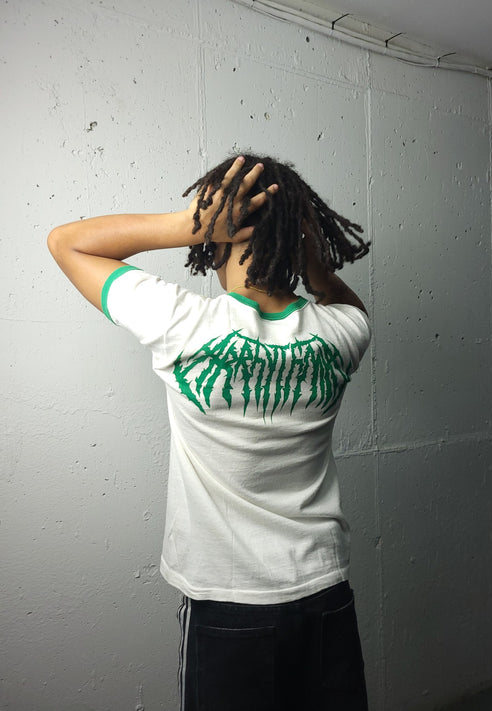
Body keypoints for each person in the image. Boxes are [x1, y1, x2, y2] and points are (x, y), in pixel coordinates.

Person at [48, 153, 371, 711]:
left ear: (218, 237)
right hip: (324, 590)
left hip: (227, 602)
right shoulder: (343, 333)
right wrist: (314, 264)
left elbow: (66, 243)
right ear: (297, 239)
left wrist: (191, 225)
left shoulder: (184, 323)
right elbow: (347, 303)